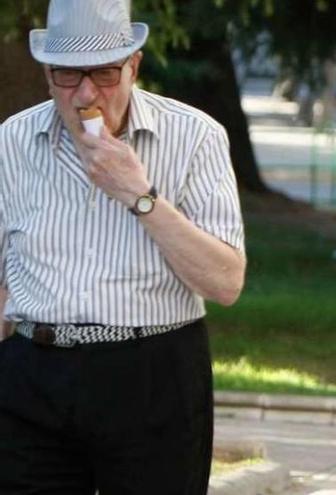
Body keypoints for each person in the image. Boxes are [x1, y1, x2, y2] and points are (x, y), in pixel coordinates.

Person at [0, 0, 246, 493]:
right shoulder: (11, 141)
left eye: (105, 73)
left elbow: (225, 283)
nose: (86, 92)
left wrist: (140, 195)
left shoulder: (196, 137)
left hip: (152, 373)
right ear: (48, 76)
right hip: (32, 370)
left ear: (133, 66)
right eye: (68, 76)